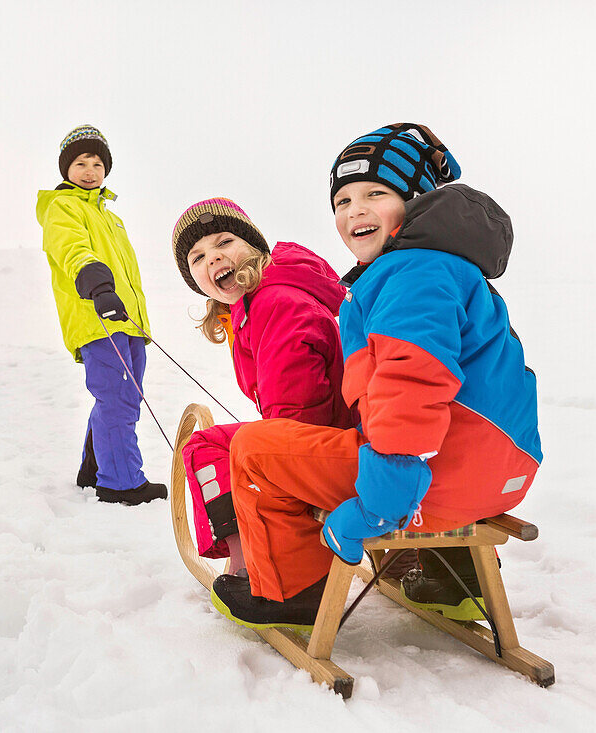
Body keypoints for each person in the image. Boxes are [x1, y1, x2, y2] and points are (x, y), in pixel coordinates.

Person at [210, 123, 542, 629]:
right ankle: (456, 582)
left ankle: (294, 594)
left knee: (254, 450)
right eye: (341, 201)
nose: (353, 211)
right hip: (498, 475)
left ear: (418, 202)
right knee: (364, 436)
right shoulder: (447, 267)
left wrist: (379, 509)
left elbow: (412, 388)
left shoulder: (410, 273)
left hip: (438, 480)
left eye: (375, 193)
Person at [171, 198, 356, 573]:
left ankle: (253, 569)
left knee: (209, 449)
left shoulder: (276, 303)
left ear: (254, 247)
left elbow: (297, 418)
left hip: (343, 453)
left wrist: (261, 463)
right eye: (197, 257)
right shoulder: (255, 308)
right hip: (342, 441)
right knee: (232, 446)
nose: (212, 258)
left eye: (224, 242)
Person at [35, 124, 166, 506]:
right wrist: (96, 284)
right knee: (117, 397)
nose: (90, 170)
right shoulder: (63, 207)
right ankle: (121, 483)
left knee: (126, 394)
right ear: (66, 170)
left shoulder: (110, 216)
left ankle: (94, 470)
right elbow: (72, 249)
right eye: (80, 163)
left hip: (127, 319)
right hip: (96, 315)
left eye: (97, 163)